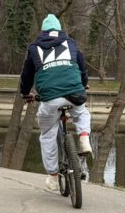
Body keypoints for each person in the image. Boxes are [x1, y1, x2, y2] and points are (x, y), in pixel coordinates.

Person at [19, 14, 93, 192]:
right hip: (75, 93)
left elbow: (27, 75)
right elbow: (81, 68)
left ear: (43, 31)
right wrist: (82, 85)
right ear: (59, 30)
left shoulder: (34, 48)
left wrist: (25, 93)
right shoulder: (70, 43)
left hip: (50, 98)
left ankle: (52, 176)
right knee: (82, 113)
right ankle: (84, 137)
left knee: (47, 134)